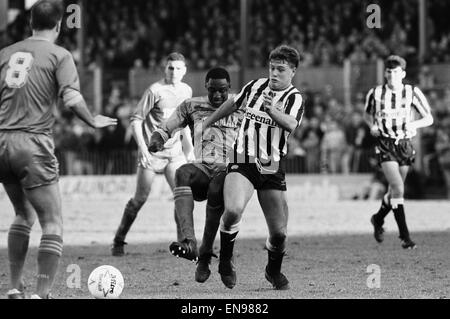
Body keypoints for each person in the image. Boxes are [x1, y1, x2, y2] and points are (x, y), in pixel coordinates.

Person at [0, 0, 117, 299]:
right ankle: (41, 293)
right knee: (52, 221)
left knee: (22, 215)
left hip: (1, 142)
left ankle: (14, 286)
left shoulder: (4, 54)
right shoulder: (59, 55)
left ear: (30, 24)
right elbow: (71, 97)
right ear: (59, 25)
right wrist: (92, 120)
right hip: (32, 142)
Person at [202, 45, 304, 290]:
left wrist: (271, 110)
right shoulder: (254, 86)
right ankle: (225, 260)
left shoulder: (295, 98)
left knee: (279, 234)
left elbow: (291, 124)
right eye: (272, 68)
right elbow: (234, 103)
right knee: (234, 210)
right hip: (244, 159)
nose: (274, 73)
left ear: (292, 71)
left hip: (271, 165)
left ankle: (273, 270)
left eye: (280, 69)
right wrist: (209, 120)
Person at [148, 67, 242, 283]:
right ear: (206, 87)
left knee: (216, 189)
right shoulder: (191, 106)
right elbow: (166, 127)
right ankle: (190, 242)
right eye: (213, 90)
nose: (217, 95)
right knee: (182, 172)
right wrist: (157, 140)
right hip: (202, 167)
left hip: (229, 171)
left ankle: (206, 257)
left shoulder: (241, 105)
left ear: (229, 87)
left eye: (222, 90)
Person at [111, 52, 194, 256]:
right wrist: (142, 148)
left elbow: (184, 124)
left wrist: (189, 150)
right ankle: (119, 240)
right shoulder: (154, 91)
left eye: (177, 68)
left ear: (184, 71)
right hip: (153, 154)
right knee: (140, 199)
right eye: (170, 68)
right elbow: (136, 119)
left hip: (175, 153)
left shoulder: (186, 91)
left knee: (182, 196)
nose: (173, 72)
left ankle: (183, 242)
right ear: (164, 69)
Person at [365, 55, 433, 249]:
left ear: (402, 74)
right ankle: (405, 237)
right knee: (398, 188)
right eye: (388, 71)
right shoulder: (375, 93)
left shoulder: (412, 92)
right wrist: (372, 126)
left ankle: (377, 219)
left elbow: (429, 118)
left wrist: (413, 124)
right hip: (385, 144)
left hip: (404, 144)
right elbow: (367, 114)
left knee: (393, 191)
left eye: (395, 72)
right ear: (385, 73)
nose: (391, 75)